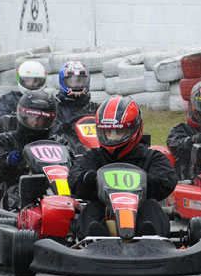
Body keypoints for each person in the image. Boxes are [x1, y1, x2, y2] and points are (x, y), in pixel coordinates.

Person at [68, 95, 178, 238]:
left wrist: (144, 182)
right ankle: (94, 238)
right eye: (108, 132)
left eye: (119, 132)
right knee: (92, 208)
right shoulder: (94, 157)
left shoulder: (150, 157)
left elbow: (167, 179)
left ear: (134, 129)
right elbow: (74, 178)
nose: (113, 138)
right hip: (103, 216)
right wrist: (89, 179)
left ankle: (151, 238)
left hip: (140, 217)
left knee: (151, 206)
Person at [0, 89, 59, 211]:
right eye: (32, 117)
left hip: (56, 188)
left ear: (49, 120)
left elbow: (71, 164)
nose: (35, 122)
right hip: (17, 188)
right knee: (17, 195)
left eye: (40, 118)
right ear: (23, 115)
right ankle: (25, 214)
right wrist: (7, 161)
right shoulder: (6, 140)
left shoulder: (58, 142)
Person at [0, 60, 47, 133]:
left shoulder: (48, 102)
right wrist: (16, 120)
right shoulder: (9, 100)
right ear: (21, 79)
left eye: (36, 81)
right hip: (17, 137)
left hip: (43, 137)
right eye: (28, 80)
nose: (32, 84)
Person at [52, 60, 99, 144]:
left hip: (93, 147)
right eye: (72, 81)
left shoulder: (94, 108)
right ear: (63, 81)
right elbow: (50, 133)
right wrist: (63, 128)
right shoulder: (56, 108)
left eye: (79, 81)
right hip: (67, 148)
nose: (76, 84)